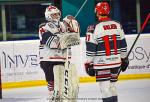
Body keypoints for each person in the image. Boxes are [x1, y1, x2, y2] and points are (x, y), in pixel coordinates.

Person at [84, 2, 129, 102]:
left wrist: (88, 63)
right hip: (116, 63)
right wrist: (124, 59)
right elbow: (123, 45)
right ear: (108, 11)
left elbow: (91, 49)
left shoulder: (93, 27)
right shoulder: (118, 25)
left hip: (102, 64)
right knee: (112, 86)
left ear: (96, 12)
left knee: (105, 89)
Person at [39, 5, 80, 102]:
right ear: (48, 16)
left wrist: (73, 23)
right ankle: (52, 98)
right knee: (53, 86)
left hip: (62, 58)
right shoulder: (43, 27)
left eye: (57, 14)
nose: (56, 16)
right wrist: (67, 38)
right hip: (48, 59)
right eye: (53, 14)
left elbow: (76, 38)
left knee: (63, 85)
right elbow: (52, 42)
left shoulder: (64, 25)